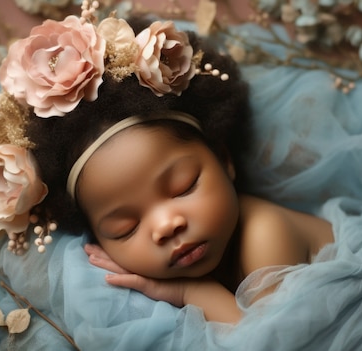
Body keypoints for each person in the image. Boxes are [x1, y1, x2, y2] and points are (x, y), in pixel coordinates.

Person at [23, 16, 334, 324]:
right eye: (125, 228)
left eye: (183, 187)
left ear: (224, 160)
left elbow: (274, 342)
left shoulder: (265, 233)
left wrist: (191, 292)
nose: (166, 226)